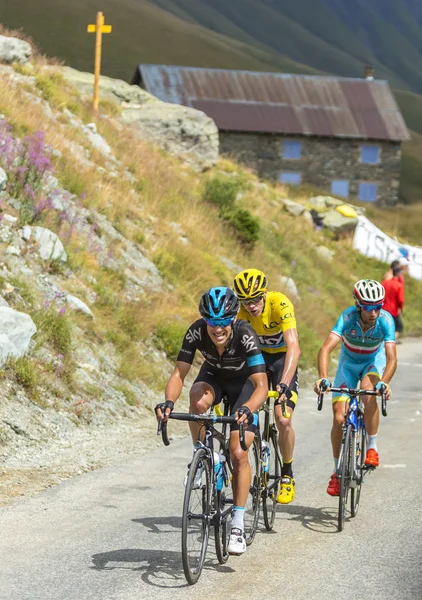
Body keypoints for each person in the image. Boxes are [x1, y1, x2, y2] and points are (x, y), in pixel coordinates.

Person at [155, 286, 268, 555]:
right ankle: (204, 454)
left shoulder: (245, 334)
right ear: (205, 320)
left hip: (245, 385)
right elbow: (179, 374)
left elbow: (261, 386)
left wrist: (249, 409)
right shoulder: (195, 332)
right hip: (215, 376)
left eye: (223, 322)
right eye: (212, 322)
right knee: (197, 402)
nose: (218, 329)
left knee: (238, 451)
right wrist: (169, 402)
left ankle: (238, 524)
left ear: (232, 319)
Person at [314, 279, 397, 496]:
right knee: (339, 417)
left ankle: (372, 447)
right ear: (359, 305)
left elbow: (391, 358)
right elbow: (325, 350)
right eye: (368, 307)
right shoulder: (348, 317)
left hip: (372, 362)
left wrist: (384, 382)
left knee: (369, 395)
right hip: (348, 364)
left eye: (378, 307)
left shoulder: (386, 321)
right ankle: (337, 471)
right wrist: (323, 378)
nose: (373, 312)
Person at [233, 268, 301, 504]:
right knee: (244, 408)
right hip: (259, 361)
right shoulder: (241, 313)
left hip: (283, 360)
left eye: (255, 299)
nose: (251, 306)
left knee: (282, 418)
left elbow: (293, 346)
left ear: (264, 294)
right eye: (245, 301)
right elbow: (237, 351)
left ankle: (287, 474)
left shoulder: (280, 304)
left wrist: (283, 383)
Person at [382, 265, 405, 341]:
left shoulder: (384, 283)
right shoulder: (399, 285)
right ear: (398, 274)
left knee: (383, 325)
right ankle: (391, 340)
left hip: (383, 308)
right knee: (399, 327)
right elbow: (400, 300)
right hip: (393, 310)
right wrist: (401, 308)